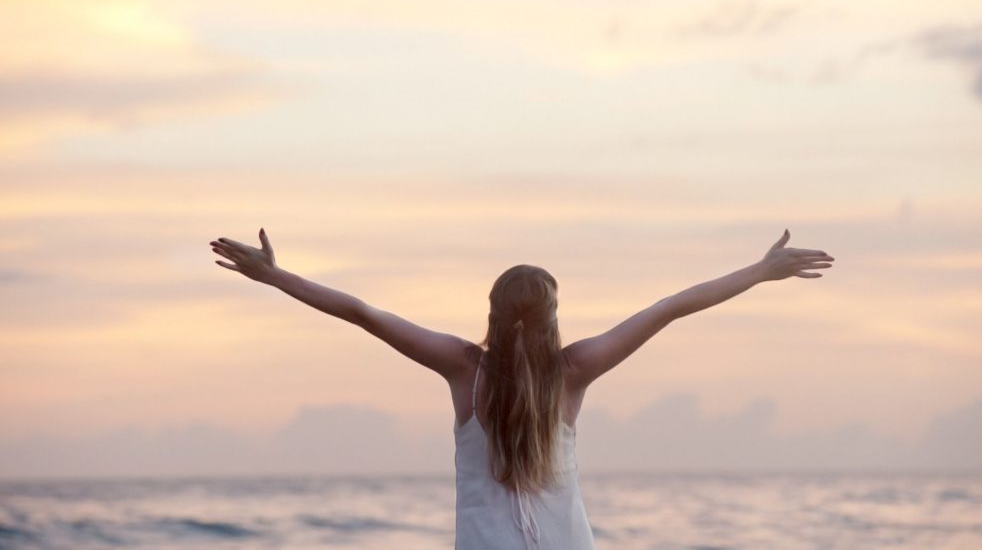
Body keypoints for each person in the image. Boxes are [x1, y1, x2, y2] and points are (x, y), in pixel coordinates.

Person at [209, 228, 833, 549]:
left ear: (491, 308)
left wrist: (275, 276)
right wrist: (760, 271)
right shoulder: (577, 368)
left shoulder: (462, 368)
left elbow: (364, 313)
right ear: (554, 316)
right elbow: (671, 307)